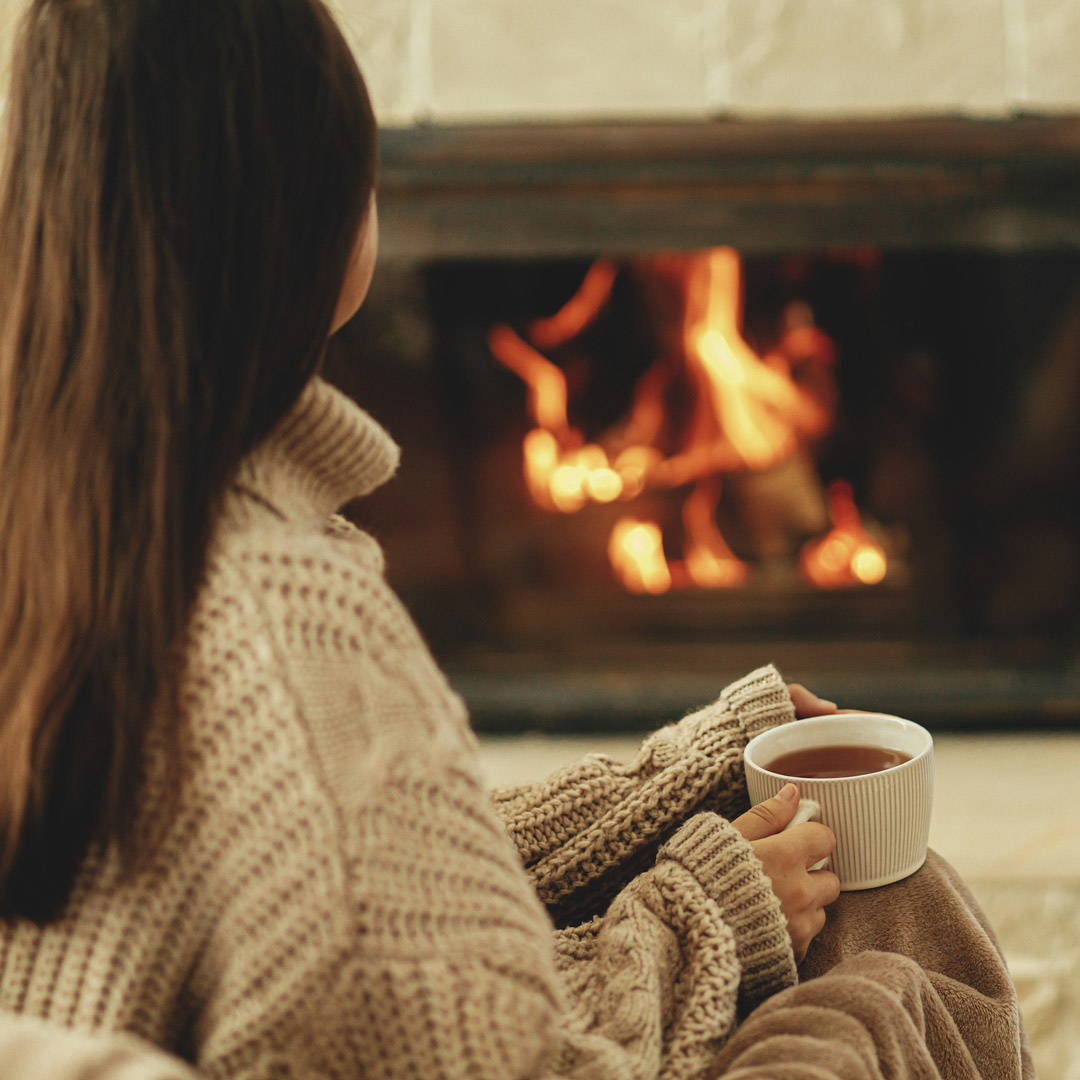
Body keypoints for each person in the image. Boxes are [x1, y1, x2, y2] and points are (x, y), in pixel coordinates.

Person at [0, 1, 1031, 1078]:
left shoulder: (83, 514)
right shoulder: (286, 617)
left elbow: (377, 882)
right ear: (312, 211)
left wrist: (670, 781)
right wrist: (705, 912)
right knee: (886, 950)